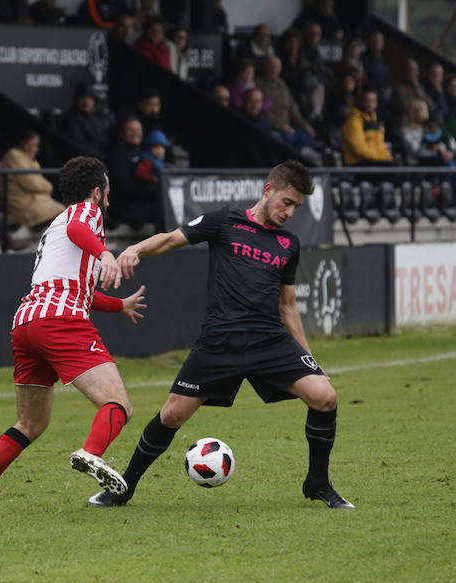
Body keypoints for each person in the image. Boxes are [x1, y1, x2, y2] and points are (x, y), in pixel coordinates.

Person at [86, 159, 354, 510]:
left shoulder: (288, 244)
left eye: (297, 207)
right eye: (287, 202)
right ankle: (125, 487)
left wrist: (310, 361)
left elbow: (288, 307)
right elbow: (169, 241)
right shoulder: (224, 221)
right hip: (219, 342)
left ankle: (317, 482)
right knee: (171, 416)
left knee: (325, 397)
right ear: (268, 190)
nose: (290, 212)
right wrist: (134, 249)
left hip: (268, 340)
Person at [0, 156, 148, 516]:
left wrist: (118, 306)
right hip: (61, 322)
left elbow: (75, 285)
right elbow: (80, 232)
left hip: (27, 321)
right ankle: (92, 452)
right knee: (118, 404)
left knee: (31, 423)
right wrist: (105, 253)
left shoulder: (55, 226)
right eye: (106, 188)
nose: (108, 195)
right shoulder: (85, 214)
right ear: (96, 190)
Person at [0, 131, 65, 228]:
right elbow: (31, 183)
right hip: (21, 203)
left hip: (36, 200)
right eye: (30, 144)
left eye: (35, 145)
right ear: (22, 143)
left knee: (66, 214)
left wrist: (44, 186)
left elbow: (37, 182)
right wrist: (48, 187)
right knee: (63, 217)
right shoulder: (14, 155)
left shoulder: (31, 160)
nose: (33, 149)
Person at [258, 56, 316, 151]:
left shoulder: (283, 84)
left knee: (308, 136)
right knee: (285, 139)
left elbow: (292, 110)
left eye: (276, 67)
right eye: (271, 66)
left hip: (289, 128)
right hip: (273, 129)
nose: (273, 70)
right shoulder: (259, 84)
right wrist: (281, 126)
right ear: (266, 67)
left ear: (280, 69)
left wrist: (305, 125)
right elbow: (263, 111)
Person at [341, 89, 393, 166]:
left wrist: (388, 158)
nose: (370, 104)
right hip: (358, 162)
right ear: (362, 102)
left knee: (401, 169)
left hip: (376, 161)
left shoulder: (378, 121)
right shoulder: (354, 120)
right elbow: (358, 148)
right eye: (367, 101)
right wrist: (380, 158)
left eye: (373, 101)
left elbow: (380, 146)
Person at [60, 85, 109, 158]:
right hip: (83, 161)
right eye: (83, 97)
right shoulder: (72, 118)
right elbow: (77, 145)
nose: (87, 101)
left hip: (99, 158)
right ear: (77, 100)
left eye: (90, 98)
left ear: (94, 101)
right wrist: (100, 155)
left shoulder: (98, 117)